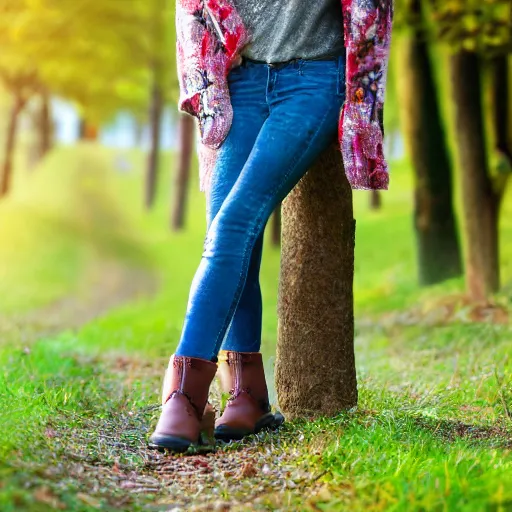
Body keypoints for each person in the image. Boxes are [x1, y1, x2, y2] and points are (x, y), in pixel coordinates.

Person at [149, 0, 393, 453]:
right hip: (240, 81)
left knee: (231, 229)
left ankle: (183, 397)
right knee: (231, 234)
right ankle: (246, 395)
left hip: (314, 80)